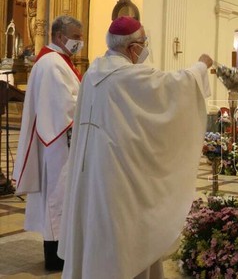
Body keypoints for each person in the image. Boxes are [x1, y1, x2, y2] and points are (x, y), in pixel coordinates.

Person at [57, 16, 212, 278]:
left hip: (91, 173)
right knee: (123, 239)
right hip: (118, 178)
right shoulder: (130, 75)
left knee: (97, 234)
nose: (145, 48)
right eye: (144, 43)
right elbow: (174, 88)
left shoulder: (93, 71)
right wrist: (201, 66)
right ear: (132, 48)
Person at [11, 15, 84, 271]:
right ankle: (56, 257)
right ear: (60, 36)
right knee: (57, 199)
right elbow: (65, 105)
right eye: (76, 37)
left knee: (61, 199)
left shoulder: (57, 62)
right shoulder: (52, 64)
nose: (80, 42)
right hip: (57, 143)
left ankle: (61, 252)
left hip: (60, 140)